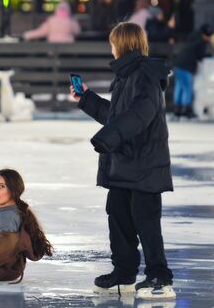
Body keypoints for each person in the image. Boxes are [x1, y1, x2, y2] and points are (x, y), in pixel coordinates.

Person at [70, 22, 175, 299]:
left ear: (123, 44)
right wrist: (86, 99)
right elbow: (117, 118)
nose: (111, 48)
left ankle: (159, 278)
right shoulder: (125, 77)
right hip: (123, 164)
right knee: (118, 218)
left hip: (145, 166)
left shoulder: (146, 76)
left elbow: (140, 115)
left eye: (113, 43)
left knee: (146, 222)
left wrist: (108, 138)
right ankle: (124, 273)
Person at [171, 23, 213, 118]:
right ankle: (186, 109)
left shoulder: (193, 37)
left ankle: (177, 109)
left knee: (179, 87)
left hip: (178, 63)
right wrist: (207, 55)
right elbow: (200, 56)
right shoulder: (201, 42)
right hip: (186, 66)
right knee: (187, 88)